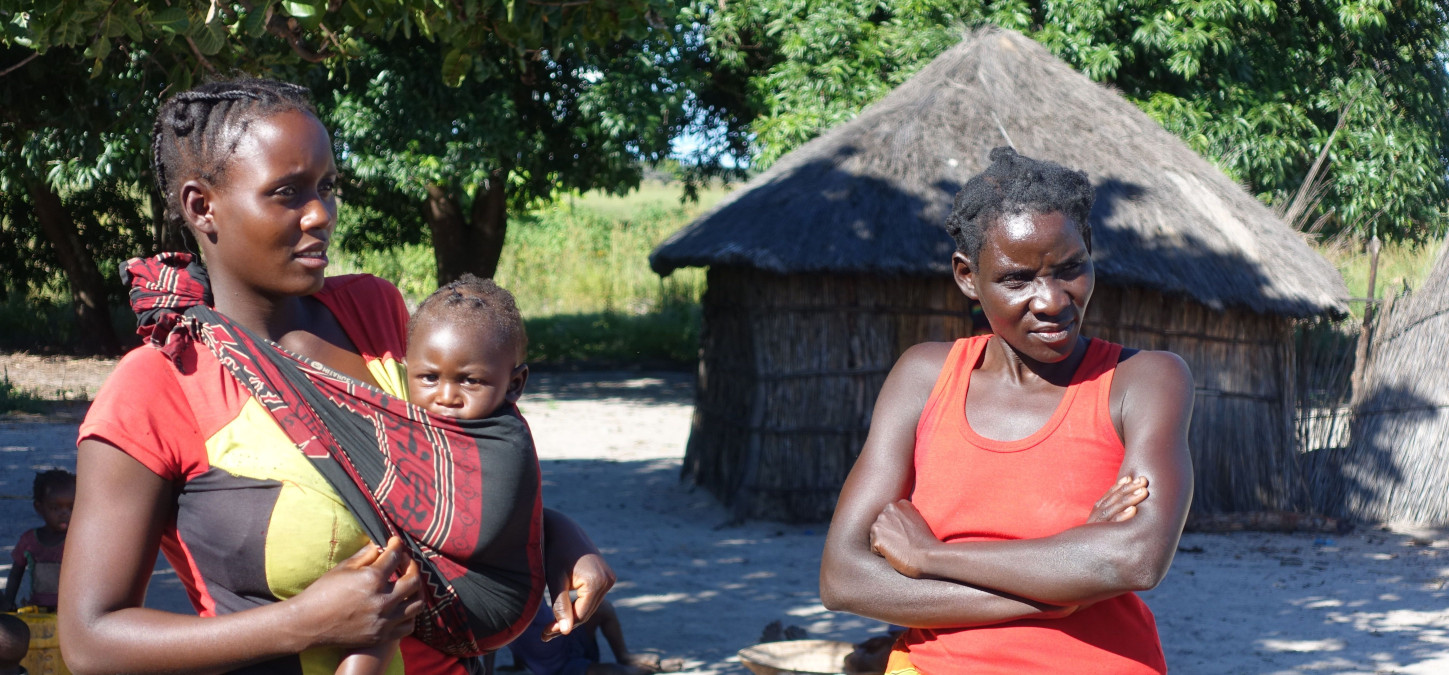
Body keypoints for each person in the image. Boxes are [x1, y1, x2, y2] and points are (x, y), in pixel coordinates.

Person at [62, 78, 614, 675]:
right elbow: (92, 639)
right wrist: (302, 623)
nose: (321, 214)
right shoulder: (158, 385)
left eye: (326, 186)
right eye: (288, 193)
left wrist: (557, 535)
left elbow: (444, 494)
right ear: (202, 206)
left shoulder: (373, 313)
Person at [819, 147, 1194, 674]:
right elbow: (843, 578)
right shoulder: (926, 378)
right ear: (968, 277)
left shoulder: (1143, 381)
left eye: (1070, 269)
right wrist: (1066, 585)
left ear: (1089, 251)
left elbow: (1136, 558)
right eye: (1018, 280)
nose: (1052, 301)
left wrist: (930, 558)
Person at [506, 600, 676, 675]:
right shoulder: (497, 606)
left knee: (601, 607)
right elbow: (494, 640)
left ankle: (624, 656)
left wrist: (518, 664)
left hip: (566, 635)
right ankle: (649, 669)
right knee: (612, 672)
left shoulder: (524, 577)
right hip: (561, 669)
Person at [3, 470, 74, 613]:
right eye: (55, 508)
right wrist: (8, 601)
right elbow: (16, 573)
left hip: (71, 612)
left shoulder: (77, 541)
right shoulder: (29, 541)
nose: (64, 514)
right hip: (37, 610)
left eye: (71, 507)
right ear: (39, 507)